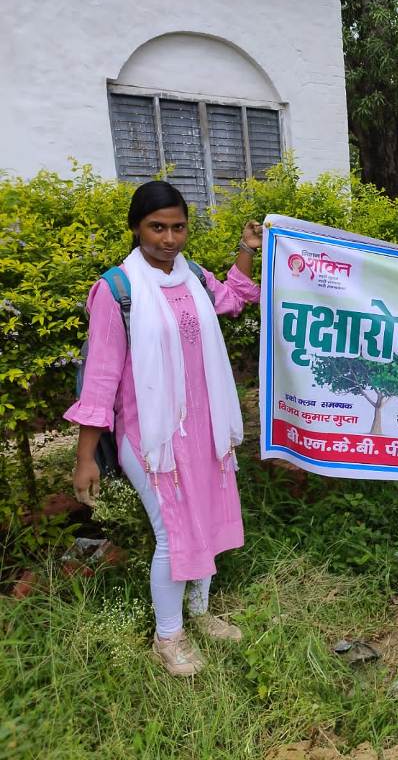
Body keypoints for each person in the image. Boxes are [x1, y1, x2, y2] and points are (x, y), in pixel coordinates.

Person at [67, 180, 262, 675]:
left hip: (205, 426)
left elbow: (232, 300)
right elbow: (100, 379)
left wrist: (246, 248)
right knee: (173, 533)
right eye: (157, 227)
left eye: (178, 227)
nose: (169, 239)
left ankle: (200, 611)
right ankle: (168, 637)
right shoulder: (118, 290)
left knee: (208, 518)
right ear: (136, 228)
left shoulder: (192, 276)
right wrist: (85, 457)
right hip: (150, 434)